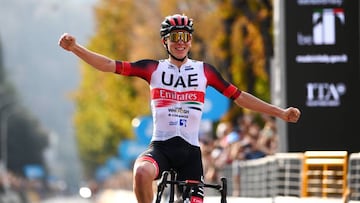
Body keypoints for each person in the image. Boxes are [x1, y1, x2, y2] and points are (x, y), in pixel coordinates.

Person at [58, 14, 301, 203]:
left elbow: (239, 97)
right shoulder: (153, 68)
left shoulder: (204, 71)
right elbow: (109, 65)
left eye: (185, 37)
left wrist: (279, 112)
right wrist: (75, 48)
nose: (180, 43)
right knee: (141, 173)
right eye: (175, 38)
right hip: (161, 148)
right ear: (166, 41)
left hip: (190, 154)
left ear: (191, 41)